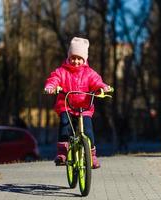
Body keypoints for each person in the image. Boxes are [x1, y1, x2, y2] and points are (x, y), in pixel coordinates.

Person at [44, 37, 112, 168]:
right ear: (69, 57)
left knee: (88, 131)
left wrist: (102, 87)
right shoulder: (62, 71)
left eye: (79, 58)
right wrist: (51, 87)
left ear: (84, 59)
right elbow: (54, 79)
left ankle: (91, 156)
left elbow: (97, 82)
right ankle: (63, 153)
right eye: (73, 57)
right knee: (65, 125)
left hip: (84, 107)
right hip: (67, 106)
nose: (76, 61)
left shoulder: (89, 73)